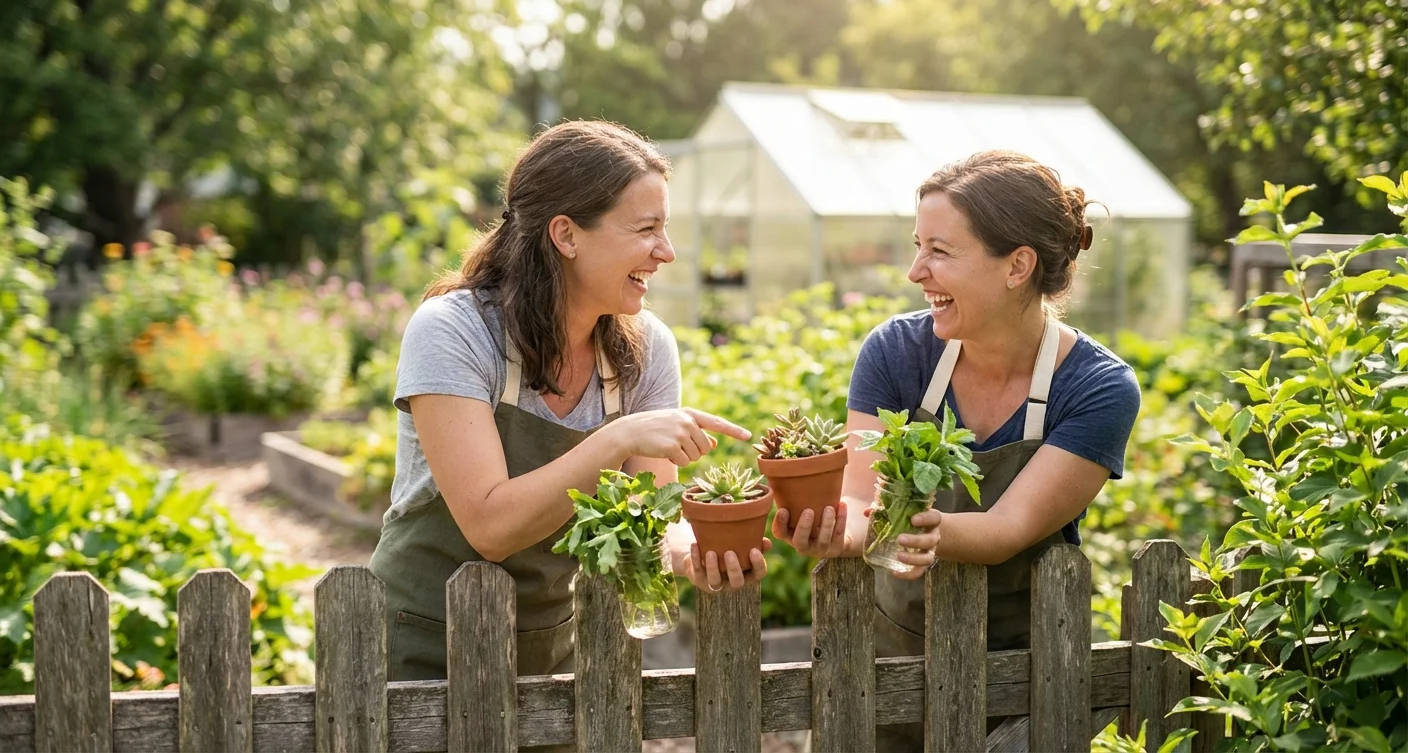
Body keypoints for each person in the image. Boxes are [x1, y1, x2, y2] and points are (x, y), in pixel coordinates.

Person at [369, 121, 766, 691]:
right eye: (646, 229)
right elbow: (490, 525)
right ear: (566, 234)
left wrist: (694, 553)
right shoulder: (454, 331)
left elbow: (653, 517)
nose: (668, 252)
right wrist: (619, 437)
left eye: (666, 229)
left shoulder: (646, 348)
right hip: (426, 648)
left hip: (552, 651)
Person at [773, 150, 1141, 749]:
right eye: (918, 245)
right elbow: (861, 499)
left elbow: (1005, 530)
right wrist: (832, 528)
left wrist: (915, 530)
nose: (916, 271)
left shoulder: (1097, 388)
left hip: (1026, 679)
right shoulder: (896, 353)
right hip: (885, 664)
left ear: (1017, 265)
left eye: (940, 251)